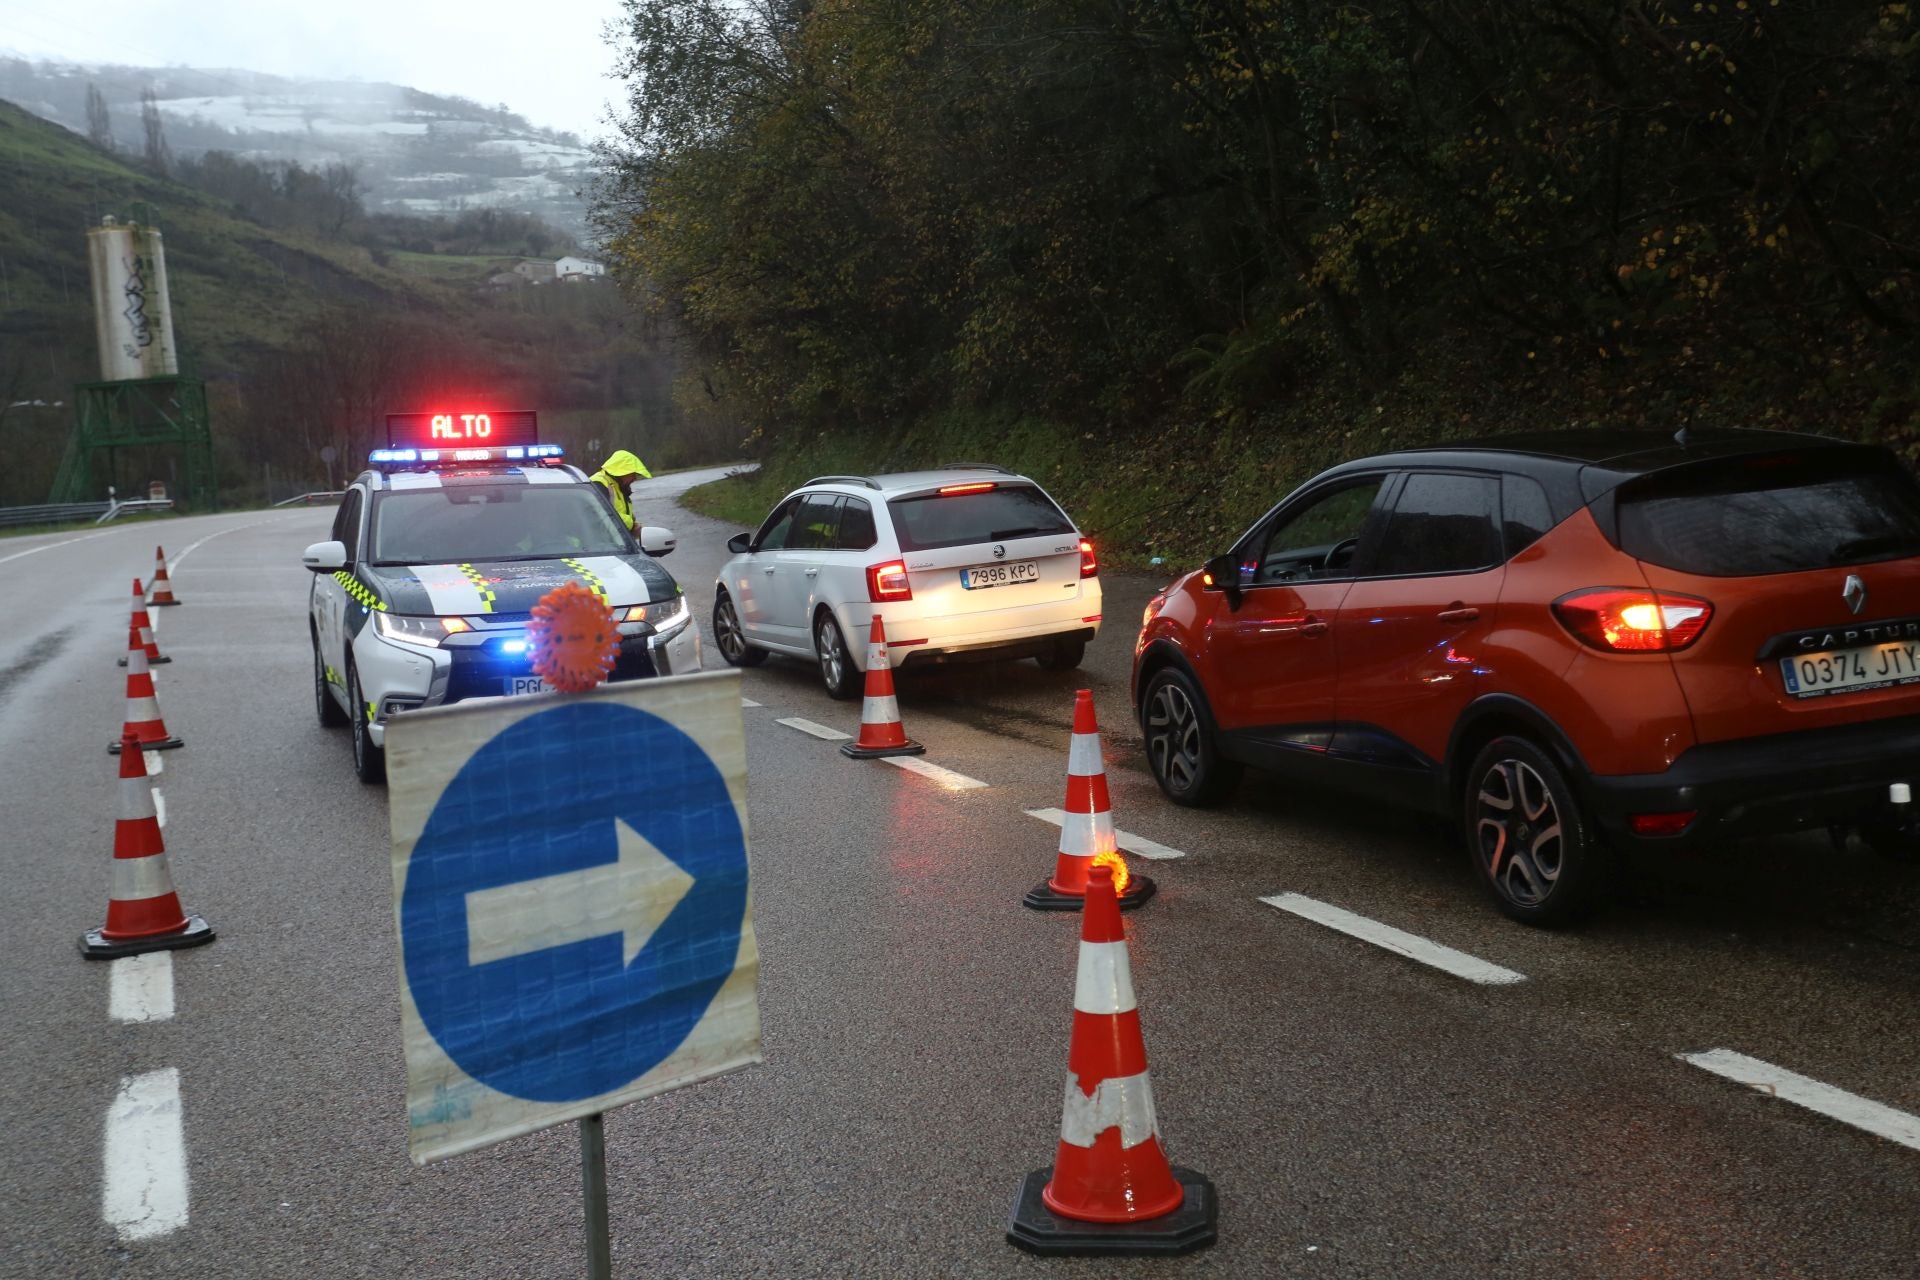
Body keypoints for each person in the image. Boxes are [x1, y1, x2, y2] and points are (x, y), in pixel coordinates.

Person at [589, 449, 652, 531]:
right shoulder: (599, 483)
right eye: (633, 474)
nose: (635, 478)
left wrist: (632, 527)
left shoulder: (619, 486)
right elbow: (600, 516)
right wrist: (631, 525)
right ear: (622, 471)